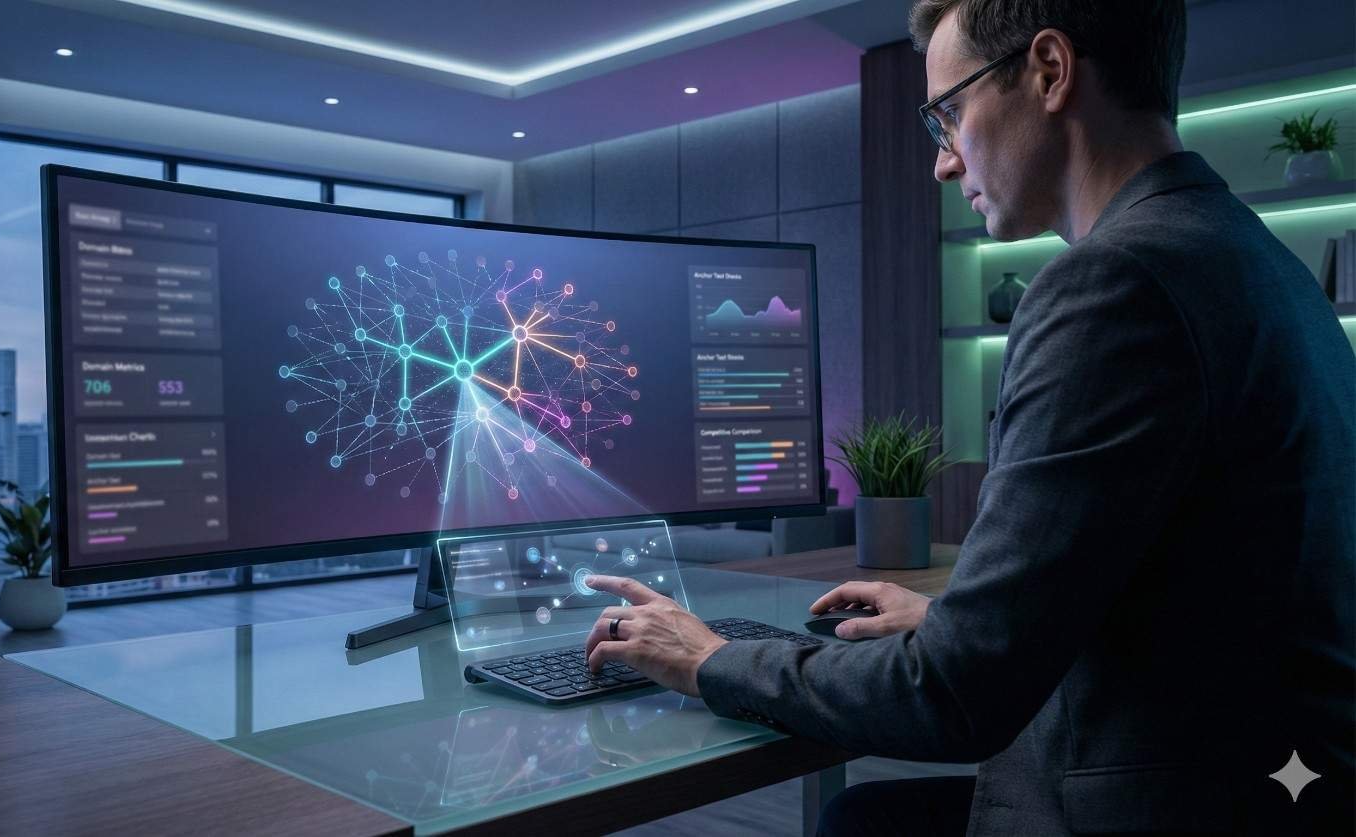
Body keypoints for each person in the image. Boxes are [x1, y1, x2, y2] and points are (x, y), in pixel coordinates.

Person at [581, 1, 1355, 833]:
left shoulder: (1114, 284)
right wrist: (962, 620)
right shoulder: (1256, 258)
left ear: (1050, 72)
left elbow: (957, 696)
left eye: (949, 112)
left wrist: (712, 659)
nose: (943, 164)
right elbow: (1196, 583)